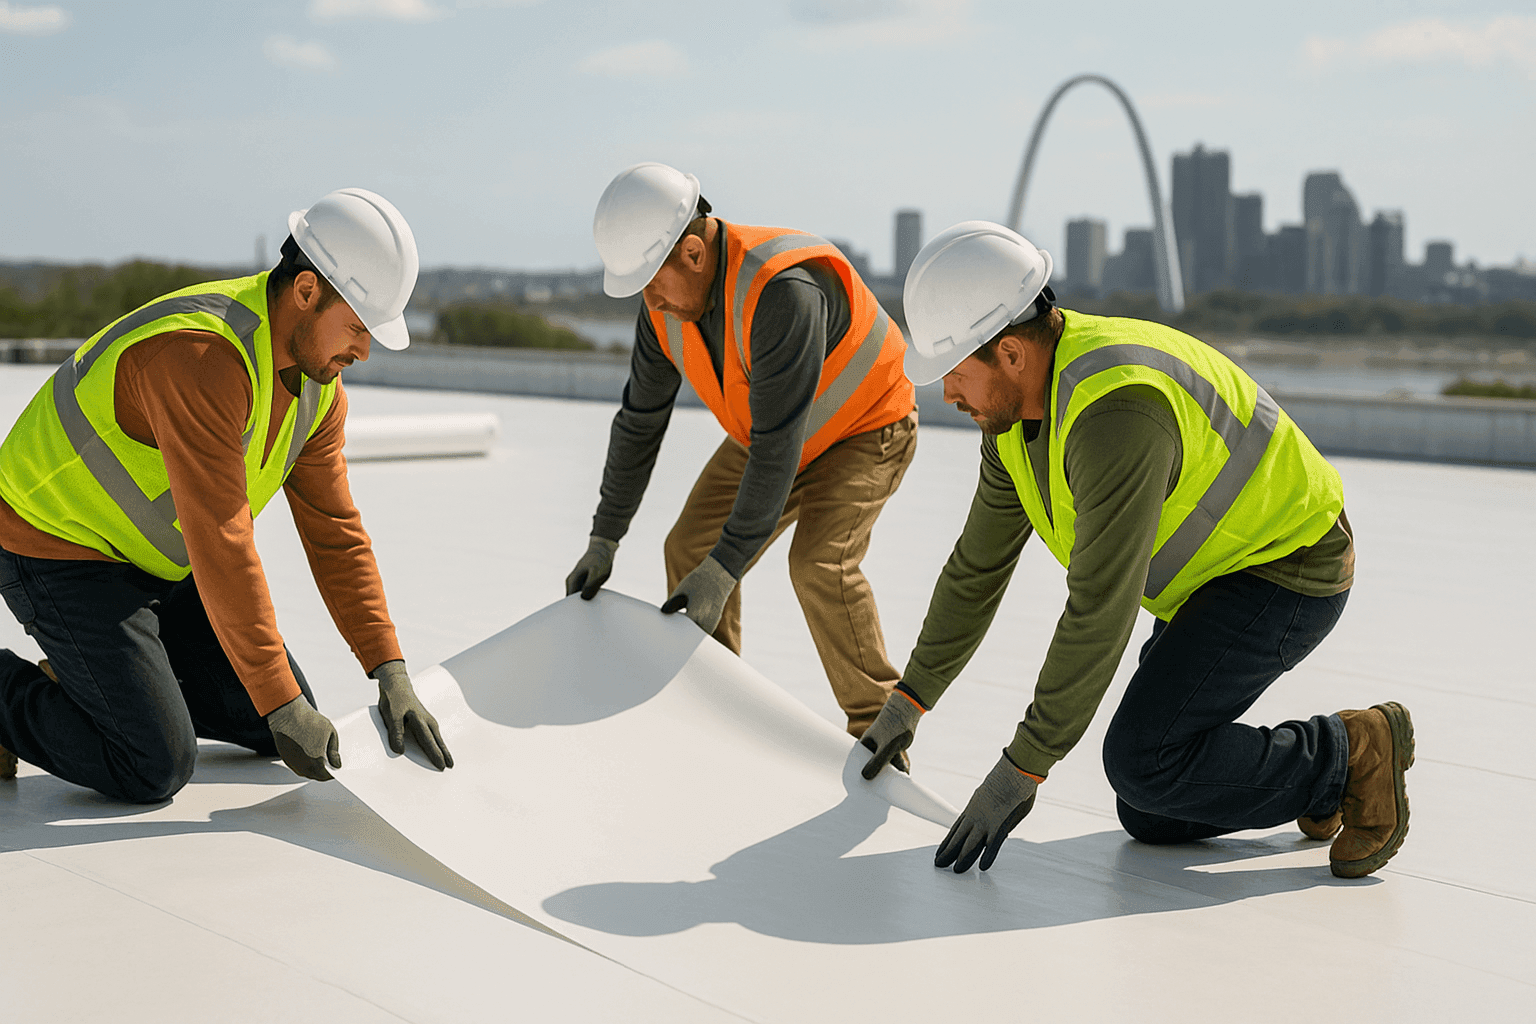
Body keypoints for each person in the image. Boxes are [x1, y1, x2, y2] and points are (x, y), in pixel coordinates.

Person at [859, 221, 1412, 879]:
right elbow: (976, 568)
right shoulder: (1011, 420)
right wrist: (911, 699)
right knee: (1151, 805)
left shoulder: (1116, 413)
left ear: (1009, 353)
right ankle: (1322, 780)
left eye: (953, 373)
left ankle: (1356, 751)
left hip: (1288, 564)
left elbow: (1100, 607)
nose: (947, 395)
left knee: (1145, 764)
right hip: (1210, 579)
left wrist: (1023, 766)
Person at [0, 188, 453, 802]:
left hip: (158, 562)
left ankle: (96, 682)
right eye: (357, 327)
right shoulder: (202, 355)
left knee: (274, 718)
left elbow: (336, 533)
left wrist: (389, 670)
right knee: (155, 763)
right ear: (306, 291)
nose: (364, 351)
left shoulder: (319, 391)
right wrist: (280, 702)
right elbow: (222, 537)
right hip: (55, 544)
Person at [565, 163, 917, 738]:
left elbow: (778, 446)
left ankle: (879, 730)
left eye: (652, 281)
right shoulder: (664, 310)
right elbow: (640, 422)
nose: (650, 301)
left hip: (865, 427)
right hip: (774, 433)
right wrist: (605, 537)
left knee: (819, 564)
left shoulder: (782, 291)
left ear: (693, 253)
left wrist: (727, 566)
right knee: (690, 547)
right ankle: (716, 704)